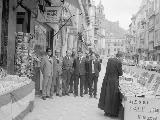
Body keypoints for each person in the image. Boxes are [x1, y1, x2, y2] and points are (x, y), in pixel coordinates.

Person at [98, 52, 123, 117]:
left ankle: (106, 111)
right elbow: (120, 74)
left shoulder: (110, 60)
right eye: (122, 57)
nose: (122, 58)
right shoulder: (119, 62)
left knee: (107, 96)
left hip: (107, 80)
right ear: (120, 57)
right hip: (114, 81)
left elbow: (107, 70)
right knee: (113, 97)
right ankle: (112, 113)